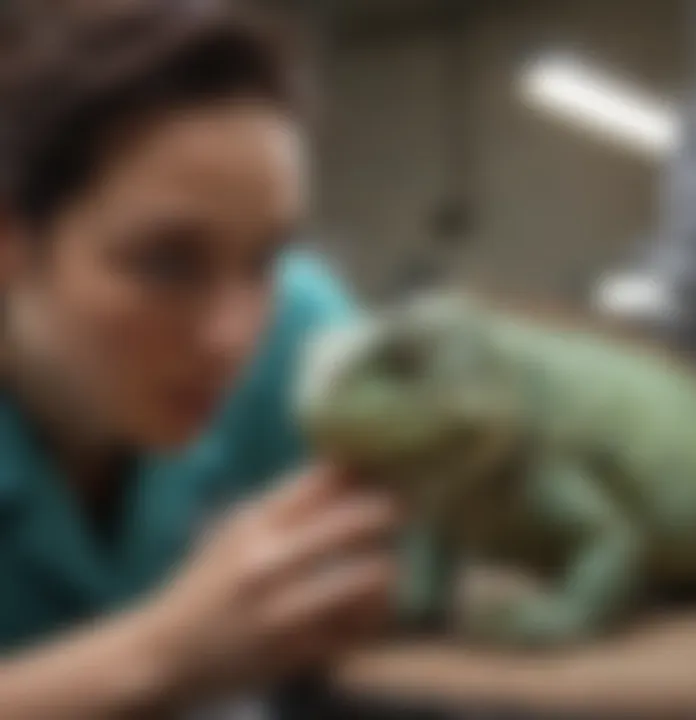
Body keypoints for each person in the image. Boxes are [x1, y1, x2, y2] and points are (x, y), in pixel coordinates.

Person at [0, 1, 399, 716]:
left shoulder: (298, 326)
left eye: (267, 256)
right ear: (12, 243)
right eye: (165, 264)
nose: (231, 336)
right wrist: (159, 656)